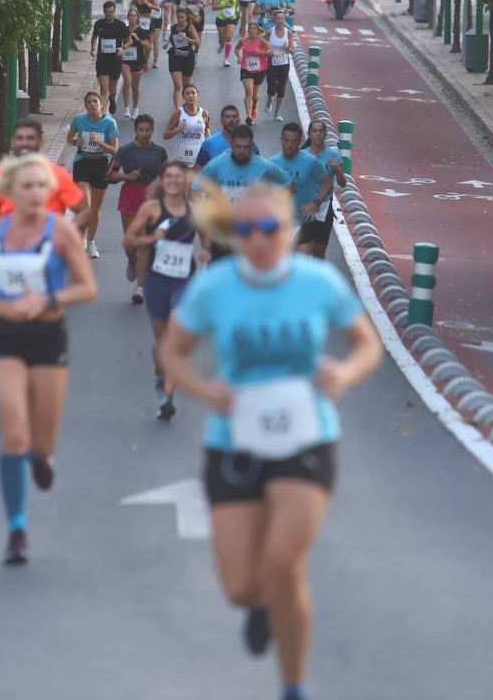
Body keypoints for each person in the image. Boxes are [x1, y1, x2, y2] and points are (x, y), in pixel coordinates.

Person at [160, 182, 382, 700]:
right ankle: (258, 607)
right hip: (233, 439)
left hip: (307, 435)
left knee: (285, 564)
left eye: (269, 229)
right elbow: (172, 353)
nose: (258, 239)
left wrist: (344, 374)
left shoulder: (318, 282)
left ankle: (293, 686)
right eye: (246, 230)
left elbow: (367, 344)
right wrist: (202, 389)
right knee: (241, 586)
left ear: (289, 231)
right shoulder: (214, 288)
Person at [0, 156, 97, 565]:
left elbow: (87, 287)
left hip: (47, 335)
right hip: (5, 336)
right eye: (25, 187)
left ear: (49, 192)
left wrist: (49, 299)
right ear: (10, 191)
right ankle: (16, 528)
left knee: (41, 442)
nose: (34, 194)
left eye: (41, 187)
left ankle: (41, 457)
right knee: (14, 434)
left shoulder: (60, 232)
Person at [123, 161, 204, 420]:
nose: (173, 182)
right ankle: (162, 384)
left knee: (175, 334)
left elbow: (208, 235)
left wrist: (208, 250)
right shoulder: (151, 209)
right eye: (168, 177)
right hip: (157, 281)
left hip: (184, 280)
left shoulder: (194, 209)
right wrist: (150, 238)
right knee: (161, 343)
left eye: (178, 178)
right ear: (161, 179)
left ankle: (168, 393)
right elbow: (129, 240)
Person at [0, 119, 89, 234]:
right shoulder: (1, 174)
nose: (24, 143)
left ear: (40, 142)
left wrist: (64, 235)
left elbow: (84, 212)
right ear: (13, 142)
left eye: (30, 138)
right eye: (20, 138)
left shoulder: (57, 174)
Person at [106, 116, 168, 304]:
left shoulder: (159, 152)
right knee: (131, 244)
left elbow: (167, 175)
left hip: (152, 201)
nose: (144, 134)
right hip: (130, 199)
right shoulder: (125, 151)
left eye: (147, 130)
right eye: (141, 130)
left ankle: (140, 287)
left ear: (152, 130)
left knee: (144, 244)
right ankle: (132, 260)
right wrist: (127, 176)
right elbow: (110, 175)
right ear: (135, 130)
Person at [66, 92, 120, 258]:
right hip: (83, 163)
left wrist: (99, 143)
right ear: (85, 105)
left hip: (101, 164)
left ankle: (91, 243)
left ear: (101, 105)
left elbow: (115, 150)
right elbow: (69, 138)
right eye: (89, 102)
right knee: (85, 206)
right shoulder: (79, 120)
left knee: (95, 209)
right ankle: (80, 239)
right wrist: (76, 142)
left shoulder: (109, 123)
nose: (92, 104)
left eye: (95, 101)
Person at [298, 121, 347, 258]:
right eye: (314, 131)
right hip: (304, 207)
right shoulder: (301, 155)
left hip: (324, 210)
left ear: (325, 134)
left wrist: (337, 171)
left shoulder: (333, 156)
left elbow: (343, 184)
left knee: (318, 254)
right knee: (302, 253)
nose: (318, 134)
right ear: (309, 134)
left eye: (321, 131)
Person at [90, 1, 128, 115]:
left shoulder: (120, 25)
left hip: (115, 60)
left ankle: (112, 99)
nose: (109, 14)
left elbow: (129, 40)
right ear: (104, 12)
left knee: (112, 90)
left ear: (115, 11)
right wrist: (93, 47)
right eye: (107, 12)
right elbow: (94, 36)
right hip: (102, 60)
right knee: (104, 88)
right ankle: (103, 114)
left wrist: (123, 48)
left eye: (111, 12)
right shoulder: (99, 24)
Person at [163, 83, 210, 169]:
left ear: (197, 96)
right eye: (187, 94)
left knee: (197, 182)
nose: (190, 96)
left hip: (199, 156)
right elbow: (165, 135)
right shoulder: (178, 113)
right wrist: (177, 130)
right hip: (182, 157)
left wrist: (209, 139)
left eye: (193, 93)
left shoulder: (204, 113)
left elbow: (207, 130)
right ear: (183, 97)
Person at [195, 105, 260, 167]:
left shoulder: (250, 146)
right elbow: (197, 169)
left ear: (239, 120)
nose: (231, 120)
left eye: (234, 116)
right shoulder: (209, 143)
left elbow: (257, 169)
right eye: (227, 117)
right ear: (221, 120)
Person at [235, 22, 272, 124]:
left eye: (254, 29)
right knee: (249, 93)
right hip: (246, 69)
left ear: (257, 31)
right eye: (250, 29)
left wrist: (261, 53)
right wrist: (239, 57)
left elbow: (272, 52)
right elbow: (237, 48)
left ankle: (254, 106)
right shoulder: (243, 41)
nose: (251, 31)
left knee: (255, 95)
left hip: (260, 70)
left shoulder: (262, 41)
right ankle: (249, 116)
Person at [165, 6, 201, 109]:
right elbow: (172, 37)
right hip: (175, 57)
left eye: (182, 17)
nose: (180, 19)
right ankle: (177, 110)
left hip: (187, 57)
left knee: (186, 86)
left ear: (186, 18)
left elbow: (198, 42)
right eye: (178, 17)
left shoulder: (190, 27)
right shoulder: (174, 27)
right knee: (178, 86)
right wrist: (167, 43)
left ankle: (186, 108)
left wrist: (187, 39)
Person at [264, 9, 295, 121]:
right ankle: (269, 100)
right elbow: (262, 45)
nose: (280, 21)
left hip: (284, 64)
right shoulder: (269, 32)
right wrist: (266, 52)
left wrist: (288, 48)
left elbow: (292, 50)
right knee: (272, 88)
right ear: (274, 19)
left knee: (281, 90)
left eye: (282, 18)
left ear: (284, 20)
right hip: (272, 64)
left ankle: (277, 112)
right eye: (278, 18)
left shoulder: (289, 33)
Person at [120, 6, 148, 118]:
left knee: (135, 86)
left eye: (134, 16)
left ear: (137, 18)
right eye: (130, 16)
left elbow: (147, 46)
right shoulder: (124, 30)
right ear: (127, 17)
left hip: (137, 60)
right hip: (125, 60)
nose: (132, 18)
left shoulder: (141, 31)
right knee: (127, 80)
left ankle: (135, 108)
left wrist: (138, 39)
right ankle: (126, 107)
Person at [215, 0, 239, 66]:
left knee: (228, 37)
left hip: (232, 19)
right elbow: (214, 6)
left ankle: (226, 59)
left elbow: (236, 6)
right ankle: (221, 45)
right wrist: (224, 6)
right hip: (221, 18)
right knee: (222, 39)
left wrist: (237, 12)